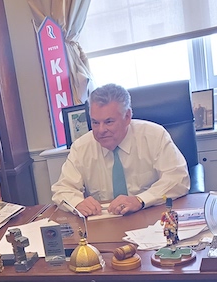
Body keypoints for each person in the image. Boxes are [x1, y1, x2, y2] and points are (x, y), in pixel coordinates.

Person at [51, 84, 190, 216]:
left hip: (150, 217)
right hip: (104, 224)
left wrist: (140, 200)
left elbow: (178, 179)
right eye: (95, 122)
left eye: (109, 122)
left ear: (127, 117)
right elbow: (62, 189)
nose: (101, 130)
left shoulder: (154, 136)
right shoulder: (81, 147)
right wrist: (77, 203)